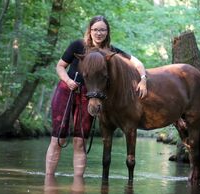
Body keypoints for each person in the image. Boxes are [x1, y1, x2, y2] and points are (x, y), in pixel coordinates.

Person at [45, 15, 148, 177]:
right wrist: (68, 80)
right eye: (95, 29)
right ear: (90, 30)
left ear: (107, 32)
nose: (99, 33)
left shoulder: (111, 51)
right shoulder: (78, 45)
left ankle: (78, 184)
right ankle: (48, 181)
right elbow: (60, 66)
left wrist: (143, 79)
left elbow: (137, 63)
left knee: (80, 141)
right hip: (66, 90)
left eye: (102, 30)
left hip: (89, 96)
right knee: (58, 138)